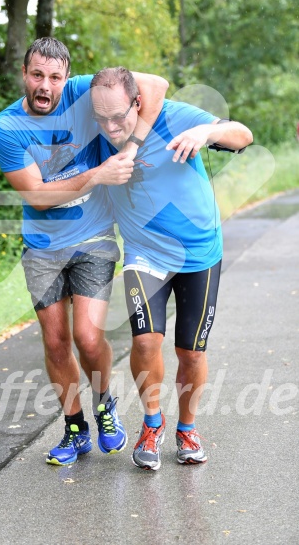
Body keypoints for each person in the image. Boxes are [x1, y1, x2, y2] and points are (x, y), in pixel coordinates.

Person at [0, 38, 168, 466]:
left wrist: (131, 149)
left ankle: (104, 404)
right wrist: (100, 173)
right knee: (55, 342)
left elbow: (156, 85)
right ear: (24, 74)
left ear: (67, 76)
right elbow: (37, 197)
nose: (45, 86)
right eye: (36, 75)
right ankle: (75, 429)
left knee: (88, 338)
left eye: (54, 77)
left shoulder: (85, 91)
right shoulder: (5, 127)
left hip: (94, 239)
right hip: (43, 246)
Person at [90, 67, 253, 470]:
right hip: (145, 252)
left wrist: (207, 133)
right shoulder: (95, 134)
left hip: (200, 251)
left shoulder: (174, 115)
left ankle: (187, 428)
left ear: (139, 102)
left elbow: (243, 135)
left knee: (191, 353)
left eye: (119, 117)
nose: (111, 127)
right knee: (145, 342)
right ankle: (151, 423)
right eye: (102, 118)